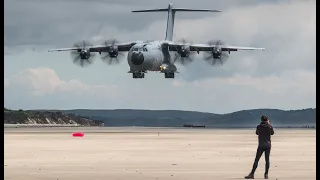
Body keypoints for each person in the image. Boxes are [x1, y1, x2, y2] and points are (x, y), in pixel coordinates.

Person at [245, 115, 274, 179]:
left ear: (261, 120)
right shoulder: (269, 127)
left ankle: (252, 174)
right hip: (268, 145)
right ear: (267, 120)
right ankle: (266, 174)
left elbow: (257, 133)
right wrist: (269, 124)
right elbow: (272, 133)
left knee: (257, 160)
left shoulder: (259, 126)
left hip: (261, 145)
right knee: (267, 160)